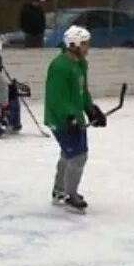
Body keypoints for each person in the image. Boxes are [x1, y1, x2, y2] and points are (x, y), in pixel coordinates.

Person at [44, 25, 106, 212]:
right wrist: (69, 118)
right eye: (85, 43)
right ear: (74, 44)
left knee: (68, 154)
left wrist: (91, 109)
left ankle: (59, 190)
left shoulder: (80, 64)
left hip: (75, 117)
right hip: (60, 119)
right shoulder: (60, 66)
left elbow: (82, 91)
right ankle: (71, 195)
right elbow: (56, 97)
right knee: (78, 156)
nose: (88, 47)